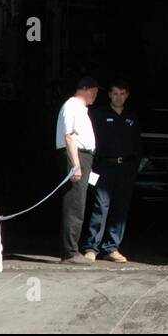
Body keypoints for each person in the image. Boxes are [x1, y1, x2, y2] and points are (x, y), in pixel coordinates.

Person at [81, 80, 142, 263]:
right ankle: (92, 247)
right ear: (109, 94)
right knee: (101, 206)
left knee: (120, 208)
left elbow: (138, 142)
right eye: (115, 93)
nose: (119, 97)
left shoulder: (131, 116)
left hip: (125, 168)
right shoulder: (98, 115)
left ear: (127, 95)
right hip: (104, 167)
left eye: (122, 93)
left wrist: (135, 165)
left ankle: (111, 248)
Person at [56, 76, 99, 264]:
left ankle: (72, 249)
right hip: (77, 156)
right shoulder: (72, 106)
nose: (96, 95)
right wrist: (76, 165)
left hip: (83, 156)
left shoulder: (80, 108)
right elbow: (69, 136)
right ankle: (70, 252)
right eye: (95, 91)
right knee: (74, 205)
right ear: (85, 89)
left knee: (78, 204)